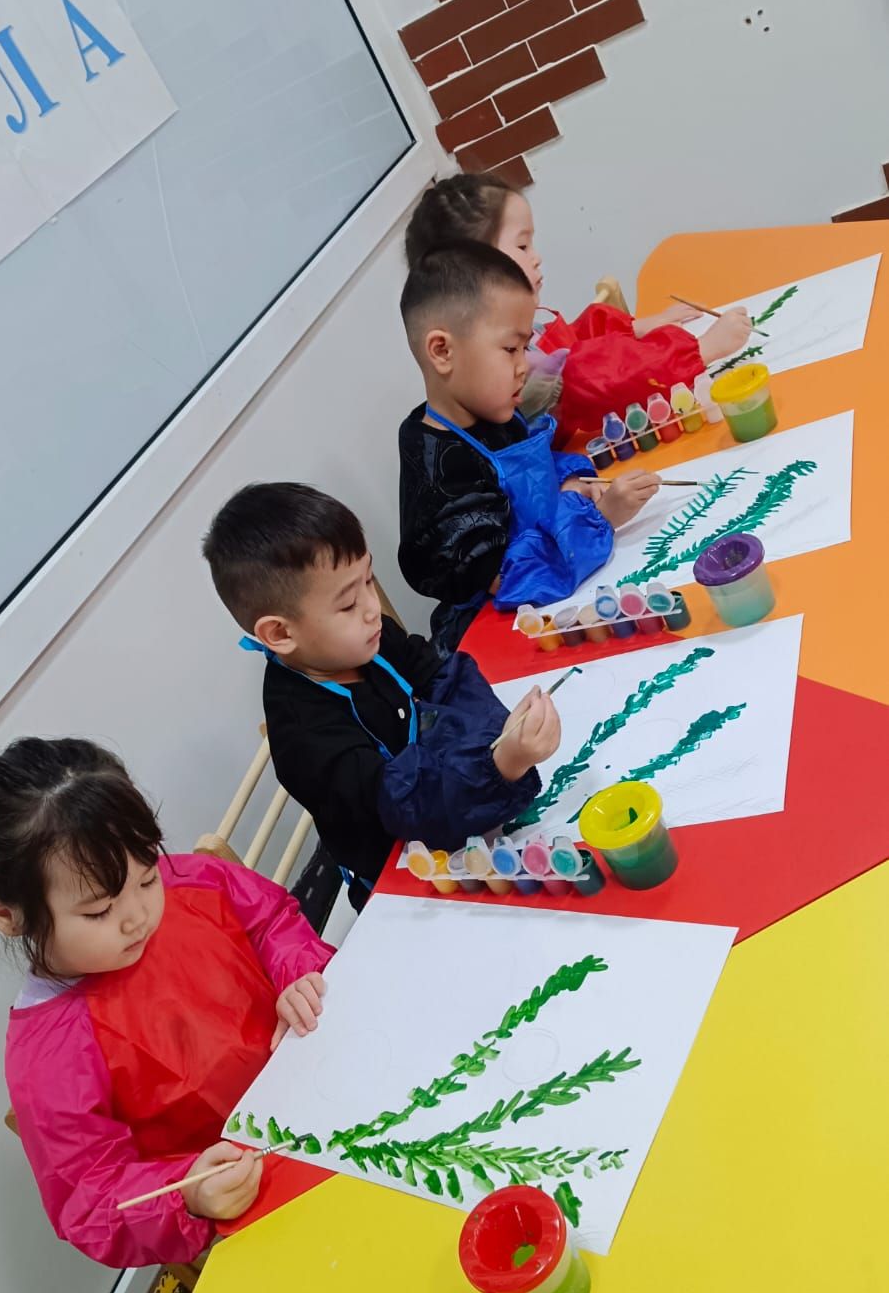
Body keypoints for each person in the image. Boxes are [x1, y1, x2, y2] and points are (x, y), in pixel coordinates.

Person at [0, 737, 333, 1268]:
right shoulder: (48, 1054)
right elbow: (91, 1198)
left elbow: (270, 921)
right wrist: (188, 1194)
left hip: (329, 1087)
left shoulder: (187, 882)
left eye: (147, 877)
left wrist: (298, 973)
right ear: (6, 915)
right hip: (259, 1195)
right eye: (99, 912)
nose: (137, 916)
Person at [203, 482, 559, 910]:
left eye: (368, 580)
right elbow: (407, 809)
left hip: (462, 803)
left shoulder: (367, 637)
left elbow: (446, 681)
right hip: (404, 881)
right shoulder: (305, 737)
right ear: (279, 633)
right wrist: (502, 765)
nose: (373, 608)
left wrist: (496, 742)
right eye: (348, 604)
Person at [398, 241, 660, 653]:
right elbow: (515, 578)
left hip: (562, 578)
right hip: (497, 633)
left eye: (525, 348)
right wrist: (599, 517)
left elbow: (538, 468)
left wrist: (571, 481)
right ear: (443, 351)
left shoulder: (491, 410)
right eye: (510, 349)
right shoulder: (442, 475)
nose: (525, 366)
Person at [404, 172, 753, 446]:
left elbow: (565, 341)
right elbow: (591, 379)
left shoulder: (513, 332)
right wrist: (701, 349)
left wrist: (637, 327)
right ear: (475, 270)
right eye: (522, 246)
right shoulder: (496, 367)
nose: (536, 257)